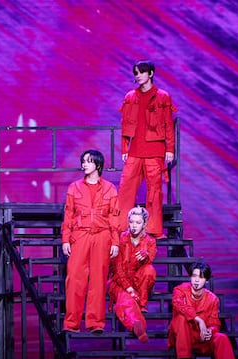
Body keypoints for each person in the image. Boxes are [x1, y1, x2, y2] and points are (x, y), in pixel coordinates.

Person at [61, 149, 120, 334]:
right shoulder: (74, 187)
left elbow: (114, 217)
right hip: (80, 236)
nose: (84, 164)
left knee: (98, 280)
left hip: (102, 237)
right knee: (74, 279)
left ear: (98, 164)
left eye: (88, 161)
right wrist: (65, 239)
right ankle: (71, 323)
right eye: (83, 161)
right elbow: (68, 215)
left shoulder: (110, 188)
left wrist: (115, 242)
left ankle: (96, 323)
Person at [116, 60, 177, 239]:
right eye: (136, 73)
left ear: (150, 73)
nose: (139, 75)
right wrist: (124, 148)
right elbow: (125, 124)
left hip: (155, 150)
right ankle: (121, 228)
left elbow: (168, 124)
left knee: (154, 192)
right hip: (135, 151)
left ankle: (154, 229)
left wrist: (170, 149)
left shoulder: (162, 96)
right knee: (126, 189)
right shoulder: (130, 96)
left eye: (142, 72)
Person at [168, 261, 238, 359]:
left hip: (200, 337)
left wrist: (210, 331)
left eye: (201, 277)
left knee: (222, 338)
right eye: (194, 276)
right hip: (182, 336)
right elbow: (177, 304)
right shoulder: (180, 290)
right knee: (181, 318)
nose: (196, 280)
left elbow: (215, 323)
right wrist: (198, 319)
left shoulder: (212, 299)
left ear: (206, 280)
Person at [107, 206, 157, 343]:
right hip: (120, 282)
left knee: (149, 270)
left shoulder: (150, 241)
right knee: (126, 300)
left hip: (138, 282)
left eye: (138, 222)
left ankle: (141, 304)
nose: (134, 225)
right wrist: (129, 288)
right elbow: (117, 269)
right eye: (132, 222)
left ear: (144, 224)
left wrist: (146, 255)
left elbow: (150, 262)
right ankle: (137, 326)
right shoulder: (120, 239)